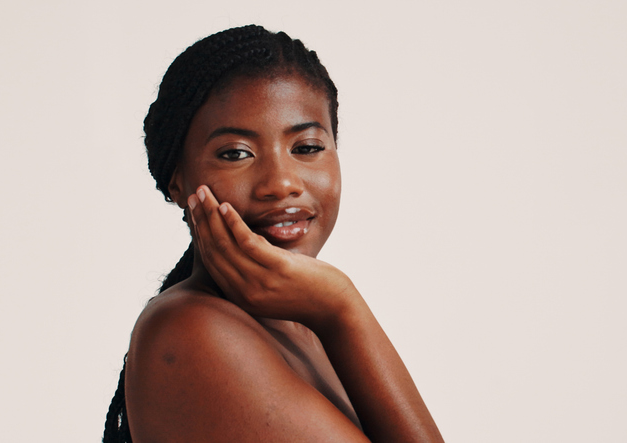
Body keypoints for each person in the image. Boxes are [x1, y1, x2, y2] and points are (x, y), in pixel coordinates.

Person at [103, 25, 444, 443]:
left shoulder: (304, 327)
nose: (281, 183)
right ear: (177, 182)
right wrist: (342, 305)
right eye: (236, 154)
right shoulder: (195, 332)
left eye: (307, 148)